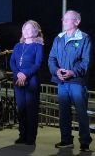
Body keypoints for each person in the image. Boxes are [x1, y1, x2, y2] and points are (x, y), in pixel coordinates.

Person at [49, 10, 92, 152]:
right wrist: (56, 71)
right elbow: (51, 59)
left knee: (81, 112)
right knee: (64, 113)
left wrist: (73, 72)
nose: (64, 21)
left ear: (77, 22)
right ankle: (66, 140)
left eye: (67, 19)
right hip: (62, 82)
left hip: (77, 82)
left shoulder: (84, 38)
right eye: (63, 19)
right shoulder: (58, 38)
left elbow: (86, 61)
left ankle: (85, 142)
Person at [10, 20, 44, 145]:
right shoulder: (17, 46)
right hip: (18, 78)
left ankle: (31, 137)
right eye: (24, 29)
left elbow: (37, 64)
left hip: (31, 79)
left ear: (36, 31)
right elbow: (12, 62)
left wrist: (25, 74)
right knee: (21, 109)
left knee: (31, 109)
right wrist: (17, 73)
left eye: (29, 29)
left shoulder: (38, 46)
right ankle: (22, 135)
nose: (26, 31)